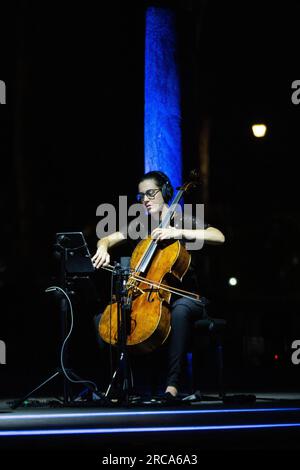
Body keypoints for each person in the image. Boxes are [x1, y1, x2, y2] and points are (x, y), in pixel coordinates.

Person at [92, 171, 225, 398]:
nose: (145, 199)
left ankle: (172, 387)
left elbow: (218, 236)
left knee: (180, 311)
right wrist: (102, 247)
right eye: (141, 195)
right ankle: (119, 385)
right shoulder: (143, 224)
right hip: (152, 296)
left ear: (164, 192)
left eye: (150, 193)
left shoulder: (182, 220)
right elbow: (107, 238)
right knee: (105, 319)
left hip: (189, 298)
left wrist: (177, 232)